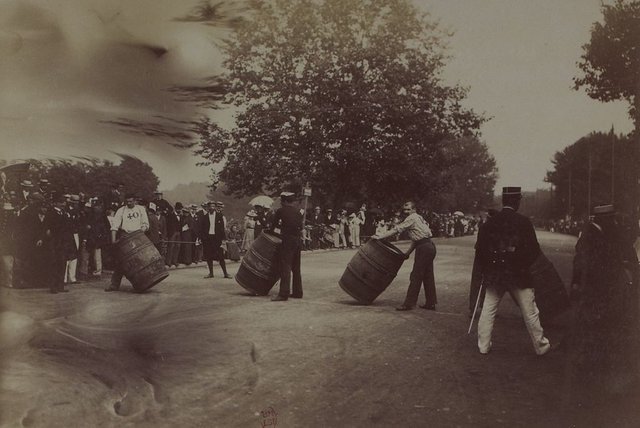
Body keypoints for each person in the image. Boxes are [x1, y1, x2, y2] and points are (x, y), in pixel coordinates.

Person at [566, 204, 639, 405]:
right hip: (599, 292)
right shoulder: (599, 236)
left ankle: (591, 367)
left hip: (594, 293)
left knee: (594, 330)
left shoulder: (595, 234)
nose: (615, 221)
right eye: (612, 218)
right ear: (606, 219)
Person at [474, 187, 550, 355]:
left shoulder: (490, 223)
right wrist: (522, 263)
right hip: (519, 273)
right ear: (517, 201)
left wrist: (489, 266)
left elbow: (480, 250)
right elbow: (534, 250)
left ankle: (483, 346)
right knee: (530, 312)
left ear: (503, 201)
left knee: (488, 309)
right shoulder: (524, 222)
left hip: (496, 273)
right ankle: (540, 346)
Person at [373, 201, 437, 311]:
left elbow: (397, 229)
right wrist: (407, 253)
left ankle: (408, 304)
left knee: (416, 276)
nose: (406, 212)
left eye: (408, 209)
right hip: (429, 246)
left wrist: (380, 237)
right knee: (428, 275)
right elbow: (417, 239)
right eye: (405, 210)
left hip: (424, 248)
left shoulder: (411, 218)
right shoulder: (418, 217)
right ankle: (431, 302)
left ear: (414, 209)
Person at [105, 194, 149, 292]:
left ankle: (141, 284)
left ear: (135, 201)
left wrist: (139, 233)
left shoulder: (141, 209)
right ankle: (114, 285)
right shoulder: (121, 210)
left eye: (131, 201)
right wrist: (113, 241)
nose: (129, 203)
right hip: (125, 236)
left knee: (140, 261)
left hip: (138, 236)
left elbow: (145, 224)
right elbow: (114, 226)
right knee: (121, 262)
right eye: (127, 201)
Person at [271, 192, 303, 301]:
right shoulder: (298, 212)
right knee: (296, 268)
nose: (281, 203)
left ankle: (283, 294)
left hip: (287, 242)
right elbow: (299, 226)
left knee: (285, 267)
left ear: (284, 201)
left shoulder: (281, 211)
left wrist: (278, 228)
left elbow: (273, 226)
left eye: (281, 201)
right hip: (297, 242)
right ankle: (298, 292)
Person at [200, 201, 232, 279]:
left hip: (217, 239)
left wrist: (223, 239)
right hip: (208, 239)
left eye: (213, 206)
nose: (212, 208)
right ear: (208, 208)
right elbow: (202, 229)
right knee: (208, 256)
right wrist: (204, 238)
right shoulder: (204, 217)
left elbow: (221, 229)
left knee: (221, 256)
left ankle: (225, 273)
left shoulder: (219, 216)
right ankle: (211, 273)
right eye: (210, 206)